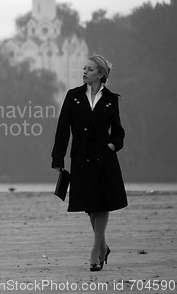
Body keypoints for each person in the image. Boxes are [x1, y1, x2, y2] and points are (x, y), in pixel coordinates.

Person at [51, 54, 128, 272]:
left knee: (102, 204)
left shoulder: (112, 99)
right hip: (81, 155)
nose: (84, 72)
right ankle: (103, 246)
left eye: (90, 69)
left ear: (101, 74)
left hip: (104, 157)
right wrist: (58, 157)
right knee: (90, 206)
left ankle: (95, 252)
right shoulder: (73, 96)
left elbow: (119, 132)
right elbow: (62, 129)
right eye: (84, 68)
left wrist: (113, 145)